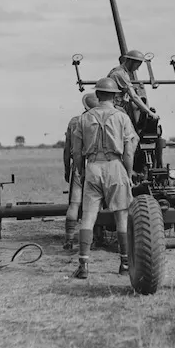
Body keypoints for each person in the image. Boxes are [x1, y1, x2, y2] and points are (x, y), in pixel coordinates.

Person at [71, 77, 139, 278]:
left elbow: (76, 152)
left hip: (93, 167)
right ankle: (125, 263)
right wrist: (127, 173)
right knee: (122, 216)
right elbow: (128, 152)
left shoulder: (83, 118)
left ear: (98, 94)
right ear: (115, 95)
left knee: (89, 217)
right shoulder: (122, 117)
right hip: (115, 167)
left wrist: (81, 171)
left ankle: (83, 265)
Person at [62, 92, 99, 250]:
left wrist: (67, 169)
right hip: (95, 164)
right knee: (95, 204)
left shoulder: (74, 121)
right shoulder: (100, 120)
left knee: (74, 204)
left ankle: (69, 240)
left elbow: (67, 150)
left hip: (78, 166)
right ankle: (95, 238)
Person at [107, 49, 159, 123]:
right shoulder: (120, 73)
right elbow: (134, 96)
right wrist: (149, 112)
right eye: (137, 65)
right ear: (130, 62)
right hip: (114, 108)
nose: (137, 68)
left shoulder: (121, 72)